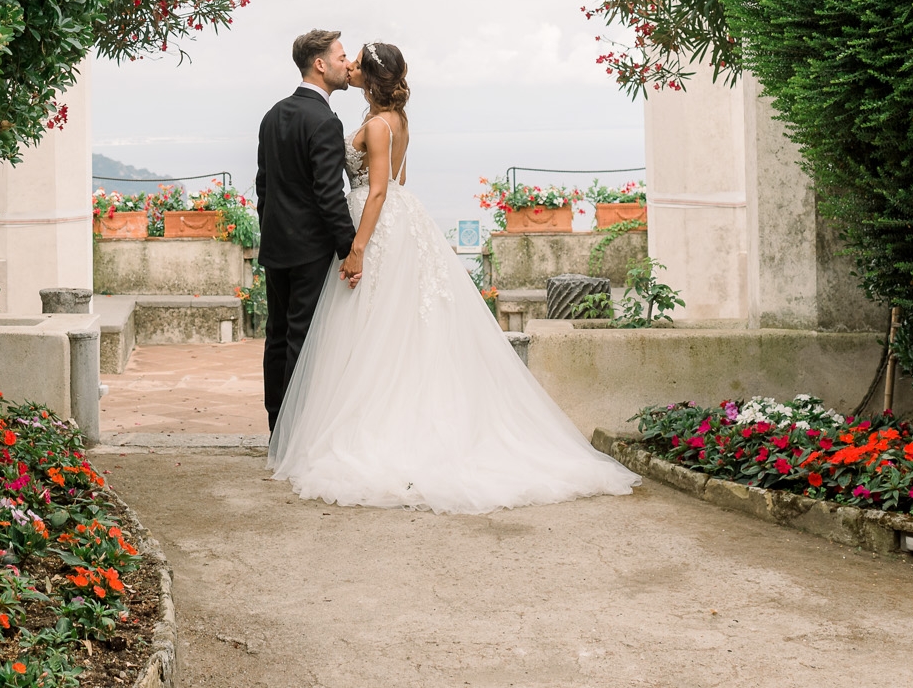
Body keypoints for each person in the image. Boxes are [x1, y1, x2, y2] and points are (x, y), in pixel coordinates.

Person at [267, 40, 639, 512]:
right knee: (389, 328)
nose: (351, 68)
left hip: (375, 222)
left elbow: (380, 191)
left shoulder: (378, 125)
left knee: (372, 327)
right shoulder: (395, 120)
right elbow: (400, 181)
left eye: (357, 64)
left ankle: (371, 430)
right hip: (400, 220)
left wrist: (358, 247)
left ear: (372, 79)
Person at [254, 29, 357, 432]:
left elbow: (264, 185)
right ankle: (296, 434)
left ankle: (277, 427)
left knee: (277, 337)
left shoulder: (273, 114)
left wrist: (272, 230)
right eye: (341, 57)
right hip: (311, 249)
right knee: (304, 338)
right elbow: (328, 195)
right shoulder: (325, 121)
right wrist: (349, 248)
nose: (347, 64)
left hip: (276, 244)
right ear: (320, 64)